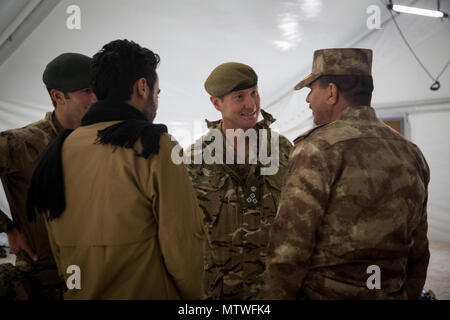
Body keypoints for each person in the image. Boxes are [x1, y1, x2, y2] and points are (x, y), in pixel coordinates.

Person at [27, 39, 205, 300]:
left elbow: (57, 250)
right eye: (157, 92)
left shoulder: (57, 152)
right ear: (142, 87)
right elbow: (183, 244)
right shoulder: (156, 146)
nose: (156, 100)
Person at [260, 48, 430, 299]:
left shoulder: (316, 149)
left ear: (331, 92)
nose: (308, 100)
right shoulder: (411, 153)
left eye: (311, 90)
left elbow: (290, 249)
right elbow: (419, 251)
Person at [186, 62, 293, 299]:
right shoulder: (193, 160)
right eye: (239, 97)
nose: (251, 104)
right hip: (218, 293)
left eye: (254, 93)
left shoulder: (283, 150)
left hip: (275, 291)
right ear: (216, 103)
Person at [0, 52, 97, 299]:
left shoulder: (97, 138)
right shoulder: (26, 142)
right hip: (45, 280)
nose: (96, 97)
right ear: (58, 96)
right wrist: (8, 228)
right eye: (86, 90)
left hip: (94, 273)